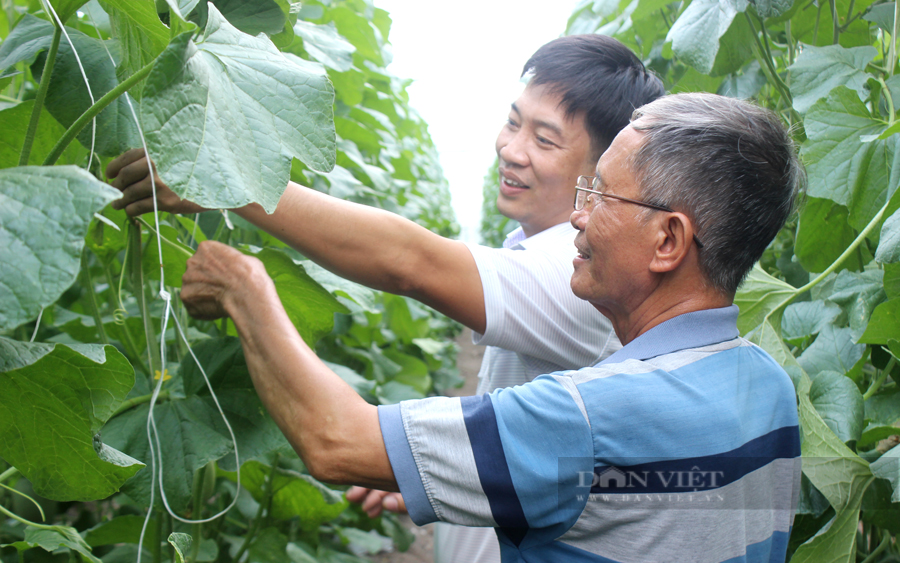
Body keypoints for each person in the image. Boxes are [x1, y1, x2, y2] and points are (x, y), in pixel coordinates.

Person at [167, 92, 803, 562]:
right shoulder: (770, 389)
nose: (578, 219)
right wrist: (450, 475)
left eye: (602, 196)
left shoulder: (585, 418)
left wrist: (244, 288)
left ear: (668, 240)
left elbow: (335, 442)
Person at [109, 34, 664, 563]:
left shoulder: (580, 275)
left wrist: (229, 183)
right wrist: (446, 480)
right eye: (513, 122)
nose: (512, 150)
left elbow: (410, 263)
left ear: (604, 170)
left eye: (544, 140)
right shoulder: (544, 253)